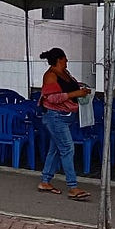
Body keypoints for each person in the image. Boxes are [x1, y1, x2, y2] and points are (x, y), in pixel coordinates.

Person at [36, 47, 91, 201]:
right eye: (65, 58)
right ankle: (73, 187)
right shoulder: (50, 76)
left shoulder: (65, 74)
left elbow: (68, 88)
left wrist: (80, 89)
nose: (67, 61)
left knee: (55, 149)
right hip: (56, 117)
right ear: (59, 59)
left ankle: (45, 181)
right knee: (67, 148)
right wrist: (76, 94)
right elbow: (51, 98)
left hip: (65, 116)